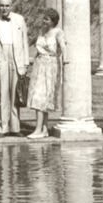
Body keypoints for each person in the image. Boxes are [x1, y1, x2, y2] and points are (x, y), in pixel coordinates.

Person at [0, 0, 29, 136]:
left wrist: (25, 62)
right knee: (2, 94)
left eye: (7, 6)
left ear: (11, 6)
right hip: (0, 58)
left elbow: (24, 41)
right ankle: (2, 128)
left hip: (16, 58)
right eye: (2, 5)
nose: (4, 8)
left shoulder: (19, 19)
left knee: (15, 94)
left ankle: (15, 128)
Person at [27, 8, 65, 138]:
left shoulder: (58, 32)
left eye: (47, 19)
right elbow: (31, 43)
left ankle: (38, 130)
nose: (44, 21)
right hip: (39, 65)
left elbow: (63, 47)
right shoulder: (41, 31)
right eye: (44, 18)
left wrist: (66, 59)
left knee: (42, 97)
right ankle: (43, 129)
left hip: (51, 66)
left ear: (53, 21)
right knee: (39, 96)